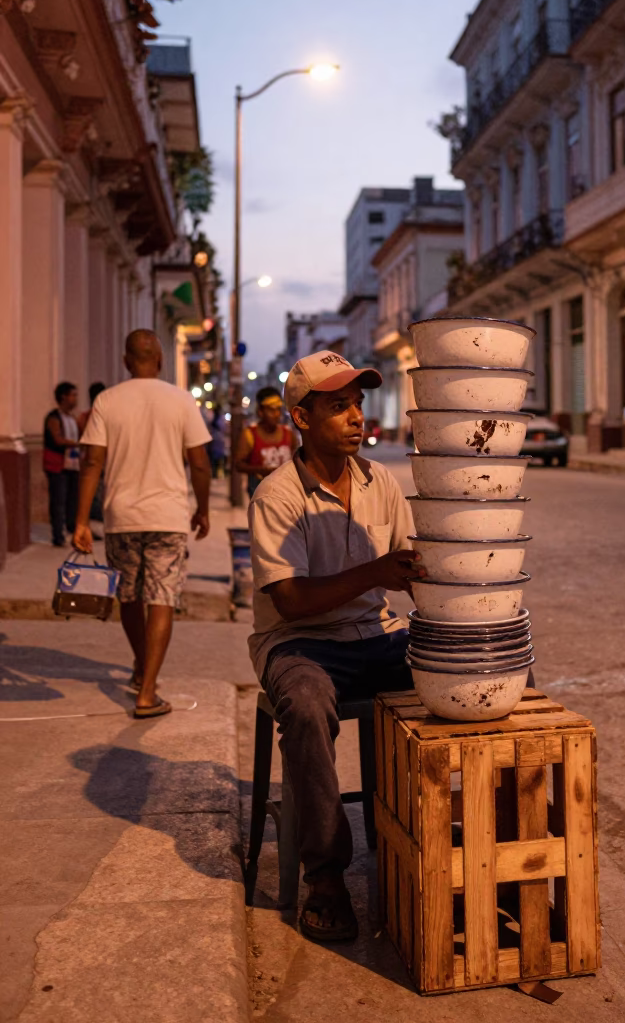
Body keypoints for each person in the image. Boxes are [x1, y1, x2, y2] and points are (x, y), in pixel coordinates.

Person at [248, 350, 424, 943]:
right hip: (301, 643)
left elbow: (408, 568)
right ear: (301, 418)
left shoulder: (382, 483)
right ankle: (325, 875)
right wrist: (377, 572)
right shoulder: (279, 496)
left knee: (466, 673)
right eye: (337, 406)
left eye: (357, 405)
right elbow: (292, 602)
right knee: (304, 702)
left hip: (375, 635)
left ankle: (437, 841)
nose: (356, 418)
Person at [72, 330, 213, 719]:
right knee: (161, 599)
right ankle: (147, 691)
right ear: (161, 361)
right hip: (167, 518)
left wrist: (82, 520)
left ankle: (140, 667)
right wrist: (202, 509)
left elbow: (92, 464)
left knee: (130, 598)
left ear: (125, 361)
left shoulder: (107, 400)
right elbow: (199, 462)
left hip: (121, 517)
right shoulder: (181, 400)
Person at [235, 385, 298, 496]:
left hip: (288, 492)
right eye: (271, 410)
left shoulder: (288, 433)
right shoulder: (250, 434)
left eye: (278, 409)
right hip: (260, 493)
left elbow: (299, 459)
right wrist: (262, 470)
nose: (276, 414)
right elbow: (239, 464)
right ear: (260, 411)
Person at [43, 382, 81, 546]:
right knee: (58, 499)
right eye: (73, 395)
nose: (75, 399)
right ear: (63, 397)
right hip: (57, 464)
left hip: (72, 463)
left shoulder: (72, 418)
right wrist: (76, 444)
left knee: (72, 499)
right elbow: (57, 439)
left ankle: (71, 529)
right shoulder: (54, 417)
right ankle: (57, 534)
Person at [78, 382, 107, 524]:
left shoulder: (84, 416)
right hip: (100, 462)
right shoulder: (101, 416)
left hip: (92, 461)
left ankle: (87, 522)